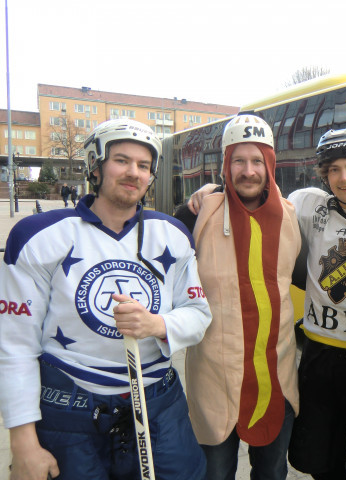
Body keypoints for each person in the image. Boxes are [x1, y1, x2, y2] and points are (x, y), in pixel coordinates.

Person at [188, 126, 346, 480]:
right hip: (318, 361)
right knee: (320, 466)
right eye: (334, 170)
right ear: (323, 175)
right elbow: (254, 197)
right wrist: (212, 191)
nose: (345, 178)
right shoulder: (308, 205)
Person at [0, 119, 212, 480]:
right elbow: (14, 345)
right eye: (121, 160)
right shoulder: (39, 236)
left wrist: (158, 324)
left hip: (159, 404)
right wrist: (23, 441)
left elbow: (198, 313)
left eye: (143, 166)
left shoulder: (173, 235)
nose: (133, 172)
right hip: (68, 409)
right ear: (94, 166)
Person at [180, 114, 301, 480]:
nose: (248, 171)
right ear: (224, 165)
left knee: (271, 473)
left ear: (270, 164)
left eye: (257, 161)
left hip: (275, 377)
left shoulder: (293, 217)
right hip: (215, 380)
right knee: (214, 474)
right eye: (238, 161)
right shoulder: (194, 216)